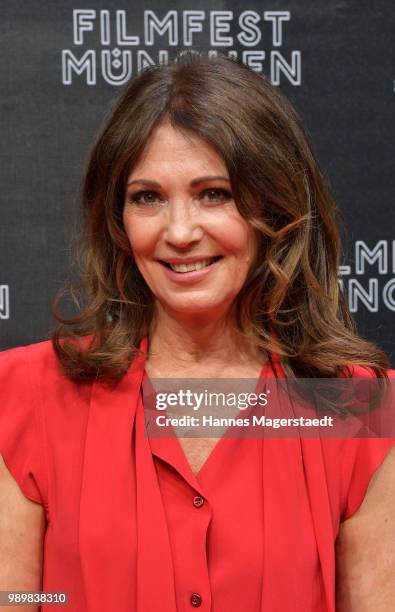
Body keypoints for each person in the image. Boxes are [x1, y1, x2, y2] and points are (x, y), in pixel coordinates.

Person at [0, 52, 394, 612]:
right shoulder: (26, 397)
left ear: (274, 206)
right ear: (118, 221)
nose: (180, 232)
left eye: (215, 193)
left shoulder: (360, 411)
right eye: (148, 198)